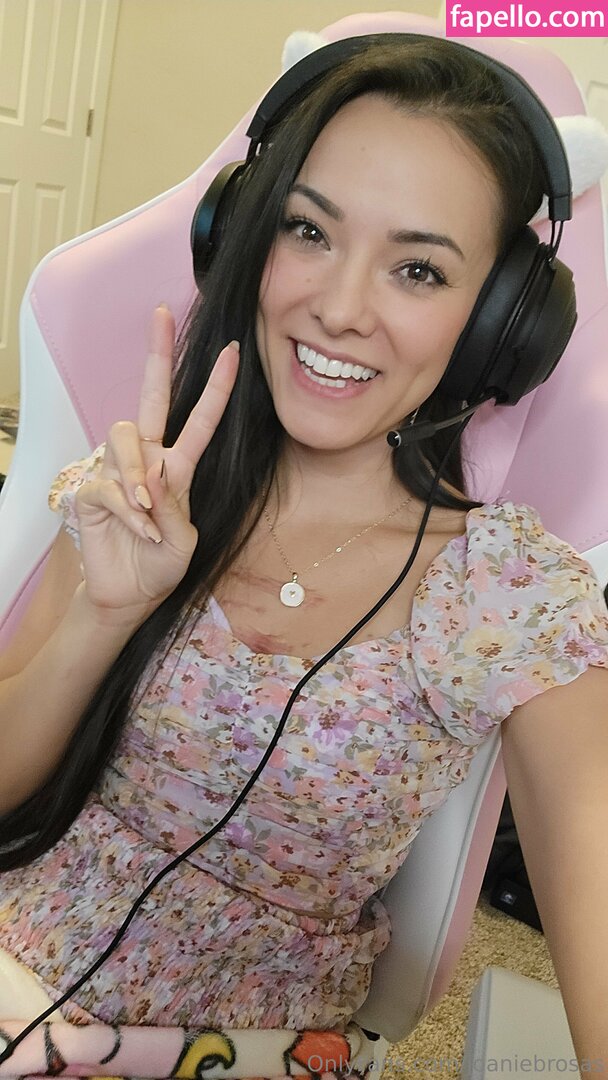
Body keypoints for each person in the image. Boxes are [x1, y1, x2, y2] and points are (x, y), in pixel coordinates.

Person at [0, 32, 607, 1080]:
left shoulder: (509, 594)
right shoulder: (142, 485)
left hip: (237, 1052)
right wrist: (103, 616)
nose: (337, 308)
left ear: (494, 324)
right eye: (308, 231)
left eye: (417, 269)